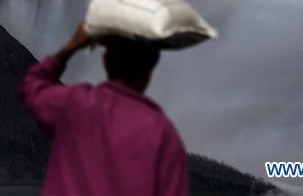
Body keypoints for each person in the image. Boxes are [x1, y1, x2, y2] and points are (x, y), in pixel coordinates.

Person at [19, 21, 189, 196]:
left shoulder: (73, 105)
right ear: (150, 70)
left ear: (105, 61)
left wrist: (71, 46)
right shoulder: (163, 134)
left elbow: (30, 87)